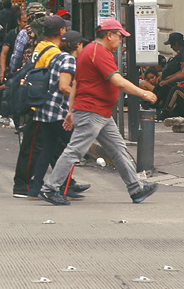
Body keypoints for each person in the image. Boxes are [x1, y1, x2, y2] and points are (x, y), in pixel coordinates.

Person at [40, 18, 159, 206]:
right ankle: (50, 188)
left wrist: (71, 111)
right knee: (75, 151)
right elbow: (118, 82)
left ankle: (136, 189)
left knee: (118, 149)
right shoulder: (99, 53)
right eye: (119, 37)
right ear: (109, 35)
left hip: (98, 111)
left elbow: (78, 84)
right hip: (92, 111)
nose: (120, 42)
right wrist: (144, 92)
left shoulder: (89, 51)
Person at [11, 17, 75, 198]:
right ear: (61, 32)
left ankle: (63, 182)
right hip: (45, 103)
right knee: (34, 146)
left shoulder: (41, 46)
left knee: (51, 145)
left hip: (38, 100)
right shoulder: (54, 52)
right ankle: (22, 184)